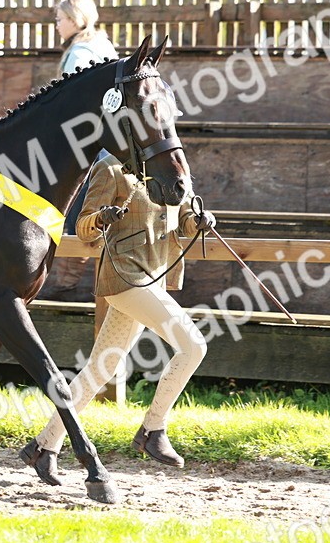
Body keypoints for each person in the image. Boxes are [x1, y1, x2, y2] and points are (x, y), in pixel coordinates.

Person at [20, 152, 217, 484]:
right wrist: (102, 217)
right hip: (124, 277)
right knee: (193, 346)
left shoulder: (170, 167)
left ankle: (42, 447)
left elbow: (182, 217)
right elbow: (83, 226)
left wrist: (199, 221)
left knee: (100, 369)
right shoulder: (110, 168)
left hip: (153, 276)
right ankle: (153, 429)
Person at [47, 0, 120, 297]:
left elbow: (70, 105)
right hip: (107, 146)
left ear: (75, 20)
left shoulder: (78, 53)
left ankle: (65, 288)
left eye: (60, 19)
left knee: (74, 216)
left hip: (84, 148)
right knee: (90, 215)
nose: (57, 25)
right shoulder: (104, 45)